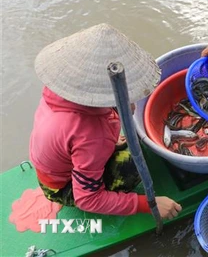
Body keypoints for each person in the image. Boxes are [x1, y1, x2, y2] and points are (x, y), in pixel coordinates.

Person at [30, 23, 182, 218]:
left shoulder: (60, 91)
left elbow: (76, 130)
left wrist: (110, 135)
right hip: (61, 186)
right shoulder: (91, 135)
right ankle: (65, 196)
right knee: (131, 166)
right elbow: (88, 199)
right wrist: (147, 204)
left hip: (56, 162)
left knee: (114, 142)